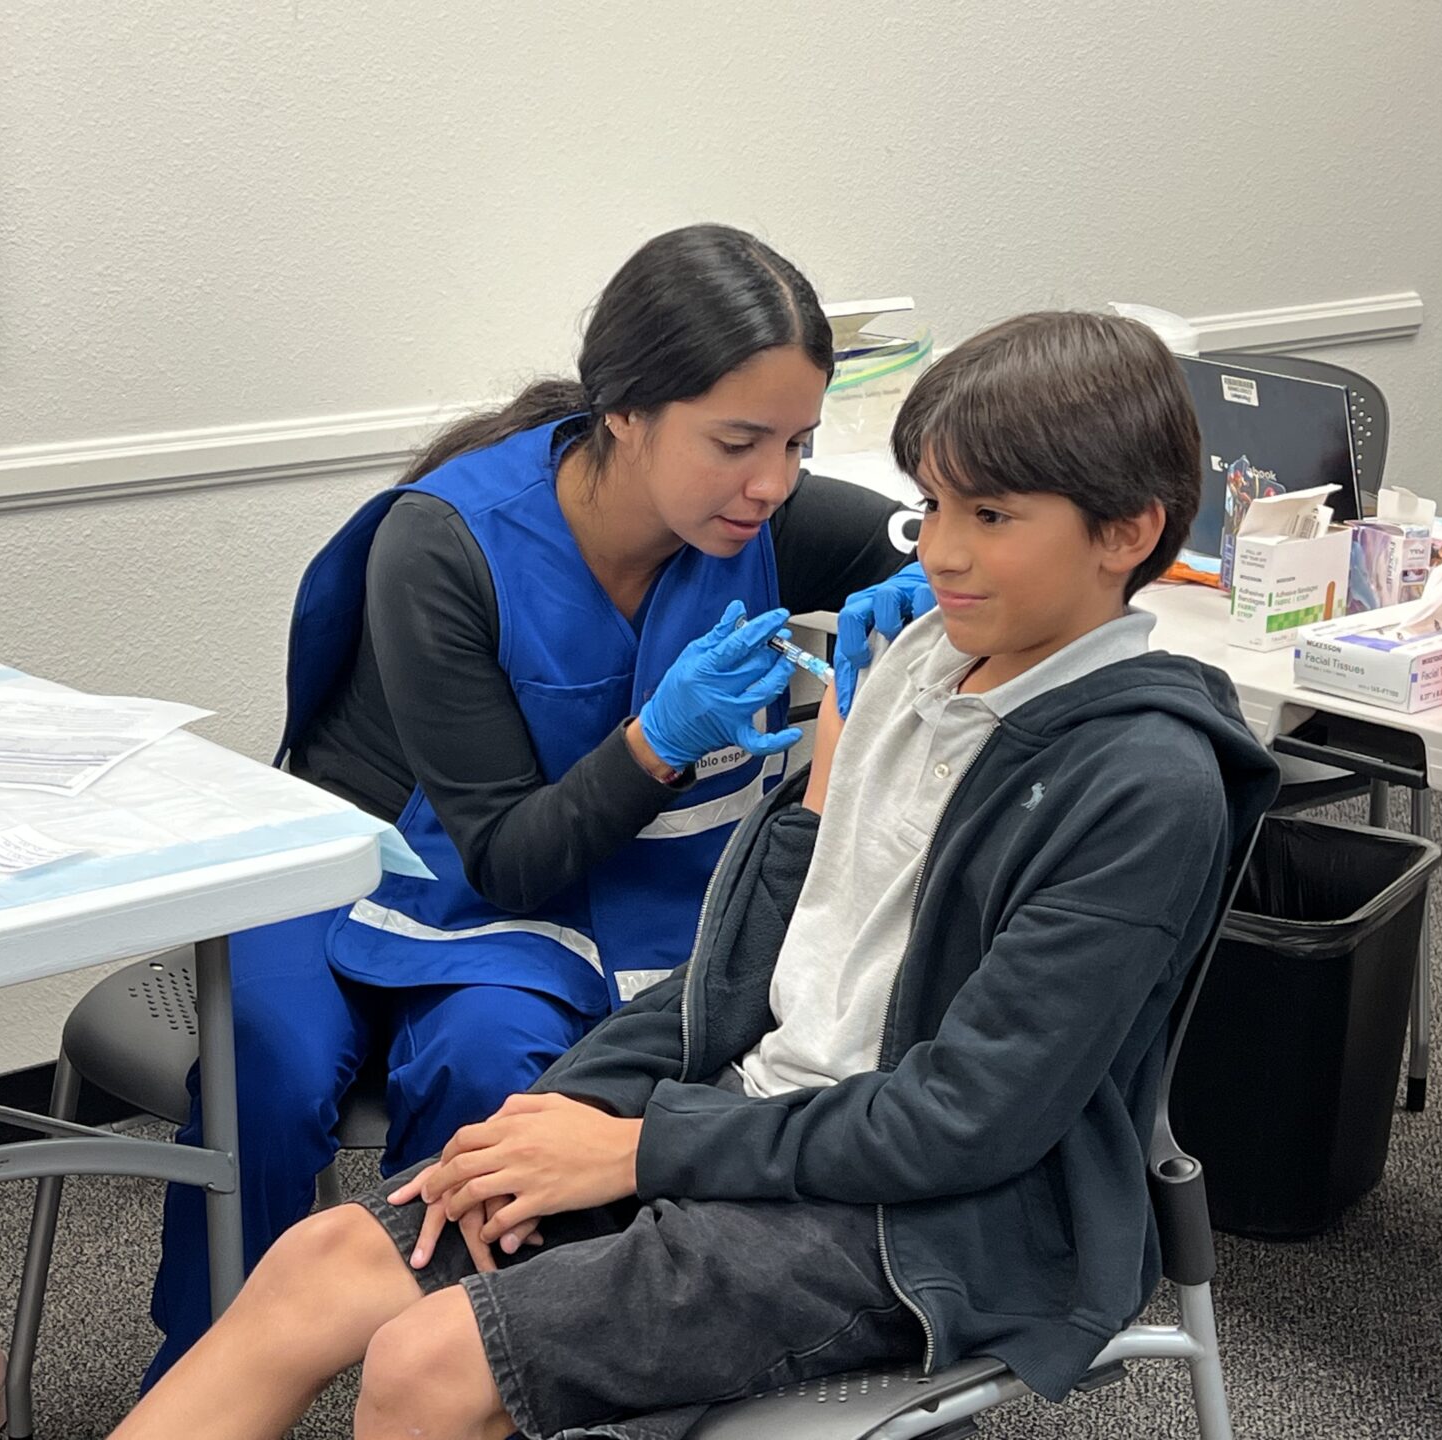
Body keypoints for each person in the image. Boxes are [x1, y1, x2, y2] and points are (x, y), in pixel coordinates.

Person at [114, 309, 1281, 1440]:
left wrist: (637, 1147)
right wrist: (573, 1104)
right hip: (760, 1121)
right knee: (323, 1263)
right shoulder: (919, 666)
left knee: (429, 1363)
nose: (940, 551)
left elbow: (964, 1125)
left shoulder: (1143, 784)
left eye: (990, 515)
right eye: (930, 506)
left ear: (1127, 533)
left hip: (921, 1217)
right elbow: (746, 965)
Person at [146, 223, 925, 1382]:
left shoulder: (770, 519)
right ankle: (208, 1371)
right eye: (737, 441)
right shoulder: (445, 545)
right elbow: (507, 855)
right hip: (360, 854)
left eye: (799, 444)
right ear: (625, 409)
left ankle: (455, 1370)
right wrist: (659, 742)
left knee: (494, 1071)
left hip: (565, 880)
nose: (772, 481)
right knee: (270, 1061)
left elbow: (922, 548)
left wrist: (926, 587)